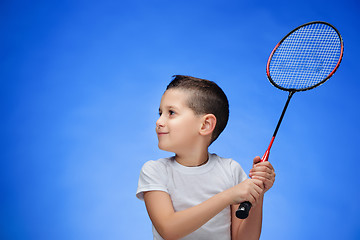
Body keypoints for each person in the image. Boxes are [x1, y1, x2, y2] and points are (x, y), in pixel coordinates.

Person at [136, 75, 275, 240]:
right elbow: (169, 229)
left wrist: (257, 195)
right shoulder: (155, 171)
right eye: (160, 113)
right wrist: (228, 196)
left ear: (205, 125)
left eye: (171, 113)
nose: (159, 121)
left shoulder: (231, 171)